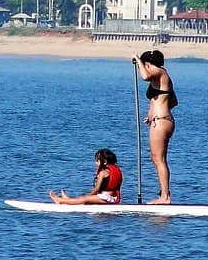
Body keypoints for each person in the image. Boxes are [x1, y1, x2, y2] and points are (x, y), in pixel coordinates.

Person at [133, 49, 178, 204]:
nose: (145, 68)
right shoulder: (163, 78)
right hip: (161, 119)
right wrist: (152, 113)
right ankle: (164, 195)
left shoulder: (160, 72)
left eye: (146, 65)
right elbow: (173, 101)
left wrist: (138, 60)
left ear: (149, 64)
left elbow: (145, 76)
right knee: (157, 158)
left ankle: (165, 197)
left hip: (161, 121)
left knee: (159, 160)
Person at [49, 148, 123, 205]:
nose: (96, 163)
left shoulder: (103, 173)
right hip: (112, 198)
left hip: (105, 198)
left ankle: (60, 200)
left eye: (97, 161)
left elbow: (96, 189)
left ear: (104, 162)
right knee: (84, 198)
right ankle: (68, 200)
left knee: (85, 198)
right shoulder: (114, 171)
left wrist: (89, 196)